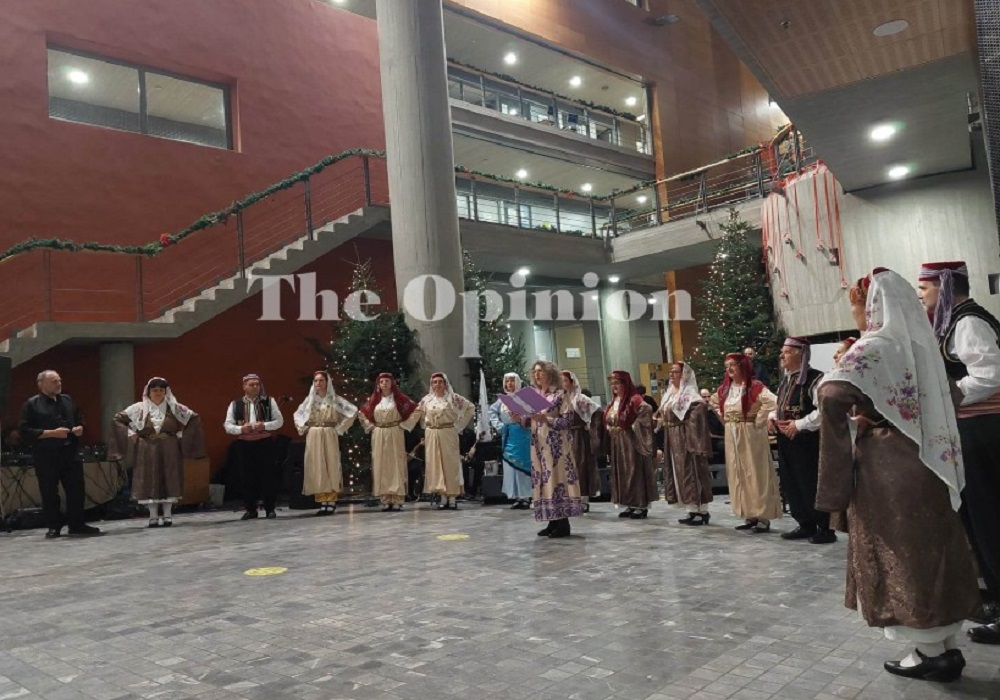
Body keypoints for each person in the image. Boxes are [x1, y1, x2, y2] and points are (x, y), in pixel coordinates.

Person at [818, 268, 979, 681]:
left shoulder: (873, 346)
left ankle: (929, 653)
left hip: (888, 466)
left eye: (856, 307)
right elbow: (954, 394)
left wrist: (860, 421)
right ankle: (946, 646)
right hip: (930, 461)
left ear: (872, 306)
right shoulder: (921, 347)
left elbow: (831, 393)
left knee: (901, 551)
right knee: (934, 546)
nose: (857, 315)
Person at [917, 261, 1000, 640]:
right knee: (978, 516)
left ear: (946, 285)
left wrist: (942, 393)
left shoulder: (968, 322)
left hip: (983, 429)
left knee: (989, 517)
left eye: (925, 286)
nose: (921, 294)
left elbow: (990, 375)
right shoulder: (954, 323)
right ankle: (993, 593)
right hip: (971, 429)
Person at [108, 377, 206, 528]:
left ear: (166, 391)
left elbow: (194, 418)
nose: (158, 393)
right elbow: (117, 419)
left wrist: (181, 435)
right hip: (146, 448)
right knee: (149, 479)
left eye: (161, 390)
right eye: (154, 390)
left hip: (169, 447)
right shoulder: (138, 408)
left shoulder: (175, 408)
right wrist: (131, 434)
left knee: (169, 478)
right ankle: (153, 516)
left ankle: (167, 515)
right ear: (149, 392)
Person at [18, 370, 101, 539]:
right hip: (46, 454)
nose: (58, 384)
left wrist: (80, 428)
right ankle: (53, 526)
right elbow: (25, 431)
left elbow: (79, 418)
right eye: (54, 381)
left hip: (70, 452)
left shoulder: (67, 399)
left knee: (76, 490)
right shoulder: (31, 404)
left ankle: (77, 525)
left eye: (59, 381)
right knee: (49, 491)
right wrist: (51, 433)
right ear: (41, 384)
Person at [767, 338, 833, 544]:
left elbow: (823, 411)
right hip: (786, 440)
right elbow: (781, 406)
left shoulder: (816, 379)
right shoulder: (787, 380)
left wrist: (799, 424)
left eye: (786, 352)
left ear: (800, 354)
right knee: (791, 482)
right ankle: (805, 523)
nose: (782, 356)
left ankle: (825, 527)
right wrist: (772, 417)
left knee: (810, 482)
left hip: (807, 440)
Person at [709, 353, 781, 532]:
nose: (729, 369)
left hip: (750, 432)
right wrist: (725, 418)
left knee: (755, 472)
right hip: (732, 433)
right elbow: (713, 402)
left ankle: (762, 516)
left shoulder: (754, 386)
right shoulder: (725, 389)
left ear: (742, 366)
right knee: (738, 472)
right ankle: (749, 514)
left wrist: (759, 419)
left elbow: (773, 401)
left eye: (733, 365)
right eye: (727, 366)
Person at [520, 360, 583, 537]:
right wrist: (520, 417)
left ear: (550, 373)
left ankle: (563, 523)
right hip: (539, 445)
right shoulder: (534, 395)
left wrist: (546, 419)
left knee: (556, 479)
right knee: (544, 481)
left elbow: (567, 421)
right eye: (535, 371)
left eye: (541, 371)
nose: (537, 374)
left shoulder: (560, 394)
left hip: (556, 446)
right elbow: (528, 421)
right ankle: (552, 520)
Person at [293, 370, 357, 516]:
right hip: (314, 435)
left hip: (329, 434)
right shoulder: (310, 400)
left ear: (327, 383)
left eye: (321, 380)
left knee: (330, 465)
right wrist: (304, 427)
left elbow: (352, 411)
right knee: (317, 466)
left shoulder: (334, 400)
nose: (318, 383)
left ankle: (331, 500)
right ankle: (323, 501)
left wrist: (340, 428)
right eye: (316, 381)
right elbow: (297, 415)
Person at [656, 362, 713, 525]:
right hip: (672, 436)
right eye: (671, 372)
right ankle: (691, 508)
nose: (671, 375)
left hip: (686, 437)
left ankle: (700, 509)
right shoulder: (669, 393)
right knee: (679, 471)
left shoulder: (690, 394)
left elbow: (698, 411)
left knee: (691, 470)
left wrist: (689, 431)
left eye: (675, 372)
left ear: (684, 375)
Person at [409, 373, 475, 510]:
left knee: (450, 464)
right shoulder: (427, 400)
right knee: (435, 464)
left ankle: (452, 498)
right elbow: (416, 413)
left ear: (445, 384)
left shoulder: (453, 398)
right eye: (435, 382)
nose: (437, 384)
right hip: (432, 433)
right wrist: (402, 424)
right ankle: (443, 497)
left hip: (448, 432)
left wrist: (458, 426)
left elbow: (470, 408)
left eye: (440, 382)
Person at [224, 373, 284, 520]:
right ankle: (251, 509)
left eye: (257, 384)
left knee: (268, 475)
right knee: (247, 477)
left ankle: (270, 509)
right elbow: (227, 425)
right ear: (244, 386)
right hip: (244, 444)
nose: (255, 387)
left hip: (264, 443)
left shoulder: (269, 402)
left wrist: (264, 425)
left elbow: (279, 421)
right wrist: (241, 429)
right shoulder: (235, 404)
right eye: (251, 384)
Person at [357, 373, 418, 512]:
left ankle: (396, 498)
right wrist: (370, 426)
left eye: (387, 381)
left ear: (392, 383)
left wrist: (405, 425)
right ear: (378, 384)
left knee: (396, 463)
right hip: (379, 433)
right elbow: (362, 413)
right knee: (381, 463)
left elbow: (417, 409)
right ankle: (385, 498)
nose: (384, 383)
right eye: (381, 381)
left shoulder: (399, 399)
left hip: (394, 432)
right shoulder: (374, 400)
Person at [604, 370, 657, 519]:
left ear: (625, 384)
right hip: (617, 441)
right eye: (612, 384)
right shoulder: (614, 401)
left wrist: (633, 426)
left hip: (631, 441)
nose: (614, 386)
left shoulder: (634, 399)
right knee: (622, 471)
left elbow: (646, 410)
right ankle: (628, 503)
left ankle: (640, 505)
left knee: (634, 470)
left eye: (617, 383)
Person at [489, 372, 532, 509]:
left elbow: (533, 414)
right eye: (507, 381)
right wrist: (499, 426)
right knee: (510, 465)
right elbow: (491, 411)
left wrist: (523, 420)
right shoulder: (502, 400)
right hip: (507, 434)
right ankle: (517, 497)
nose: (509, 384)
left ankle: (526, 497)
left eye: (512, 381)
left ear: (518, 382)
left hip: (522, 434)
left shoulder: (525, 398)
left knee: (522, 464)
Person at [561, 371, 601, 512]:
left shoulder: (580, 399)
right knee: (566, 468)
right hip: (564, 436)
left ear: (572, 383)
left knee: (580, 466)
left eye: (565, 381)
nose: (562, 384)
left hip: (578, 436)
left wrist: (589, 427)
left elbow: (597, 411)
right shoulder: (560, 399)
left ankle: (582, 499)